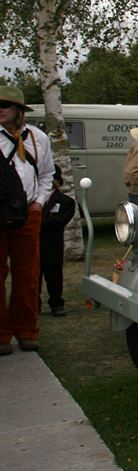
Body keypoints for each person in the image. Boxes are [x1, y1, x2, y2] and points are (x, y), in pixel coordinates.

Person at [0, 86, 56, 354]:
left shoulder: (38, 138)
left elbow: (47, 174)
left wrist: (38, 204)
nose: (0, 109)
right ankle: (1, 334)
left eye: (5, 105)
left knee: (28, 275)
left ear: (19, 110)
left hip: (29, 215)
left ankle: (26, 329)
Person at [39, 165, 75, 317]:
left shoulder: (66, 202)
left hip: (52, 246)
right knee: (33, 280)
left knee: (54, 279)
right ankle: (34, 306)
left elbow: (60, 221)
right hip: (34, 246)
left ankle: (57, 304)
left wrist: (36, 223)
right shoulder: (32, 200)